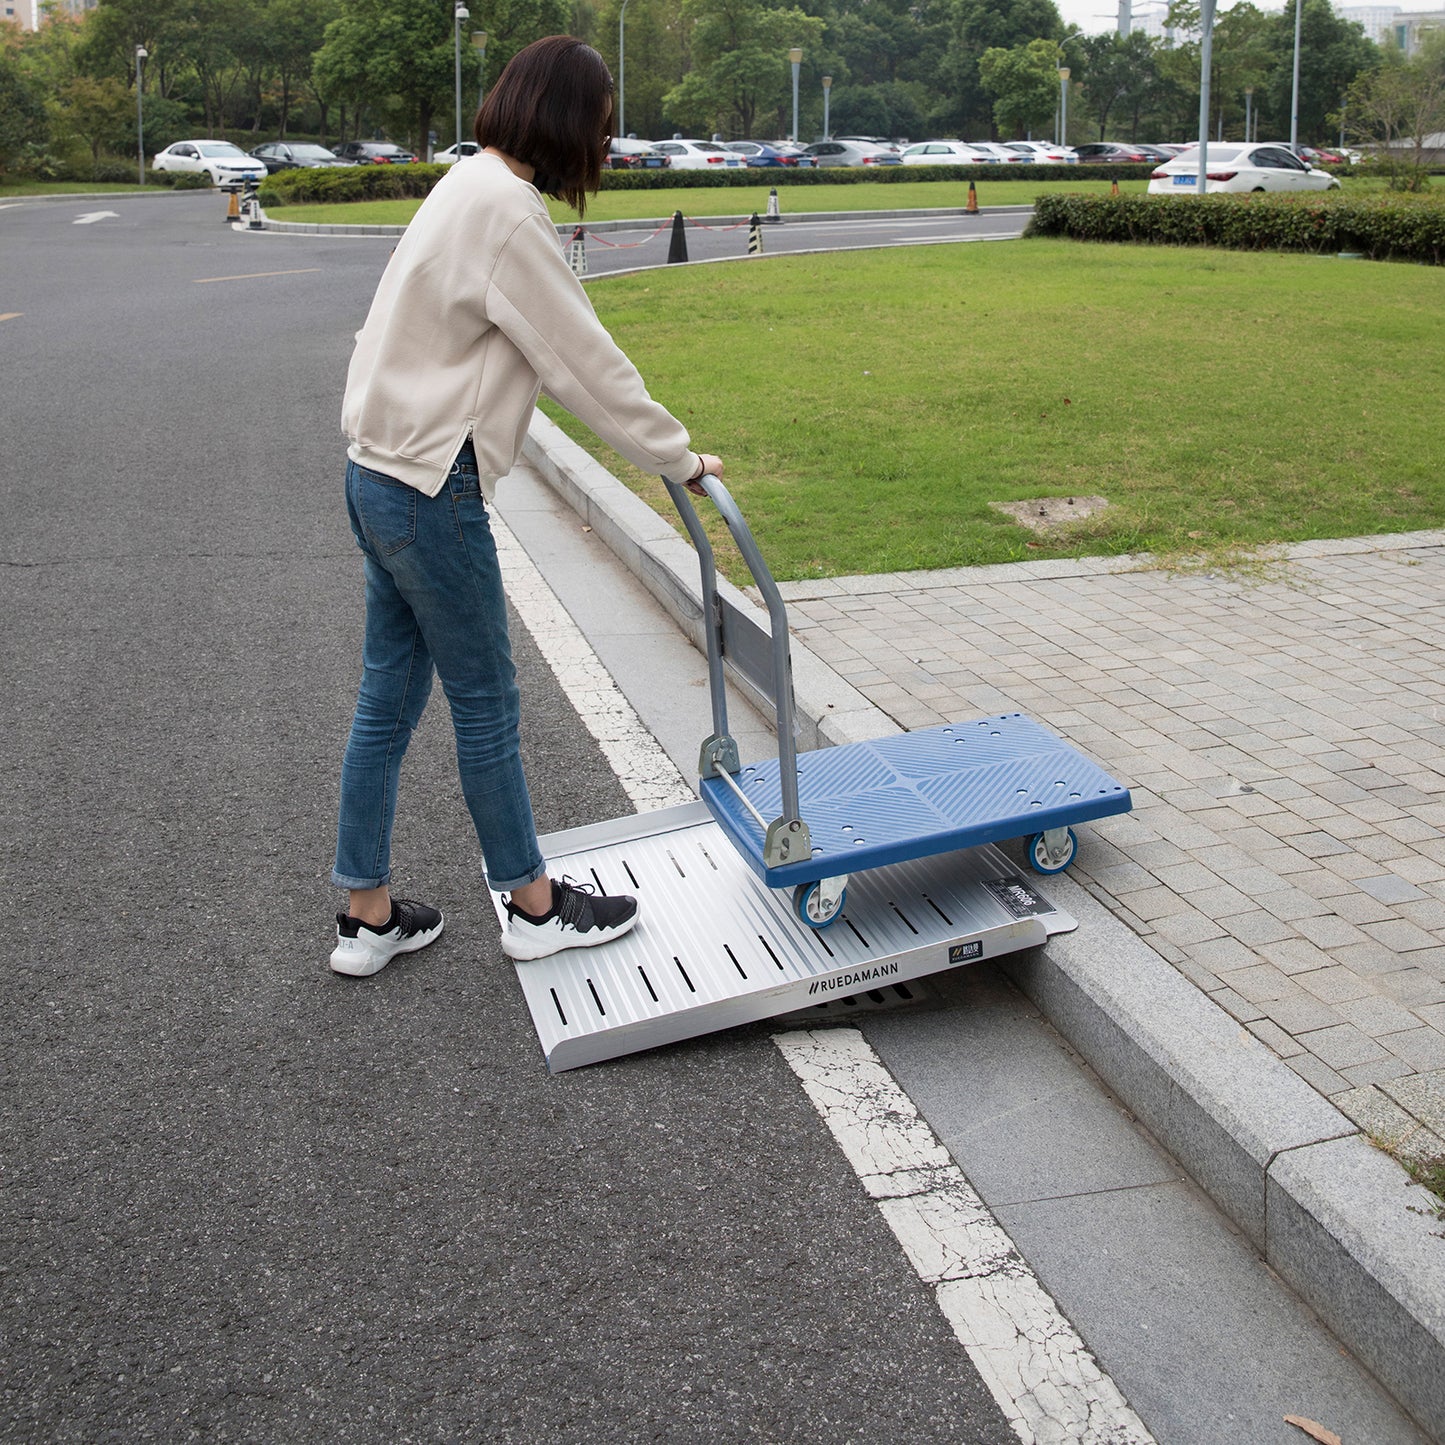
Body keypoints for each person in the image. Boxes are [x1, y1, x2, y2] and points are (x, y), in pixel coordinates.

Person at [328, 34, 722, 978]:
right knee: (487, 700)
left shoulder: (463, 184)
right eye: (602, 123)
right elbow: (583, 360)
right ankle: (535, 906)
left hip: (375, 471)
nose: (604, 142)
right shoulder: (508, 210)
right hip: (431, 486)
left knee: (387, 699)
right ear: (566, 120)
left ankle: (367, 917)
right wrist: (677, 457)